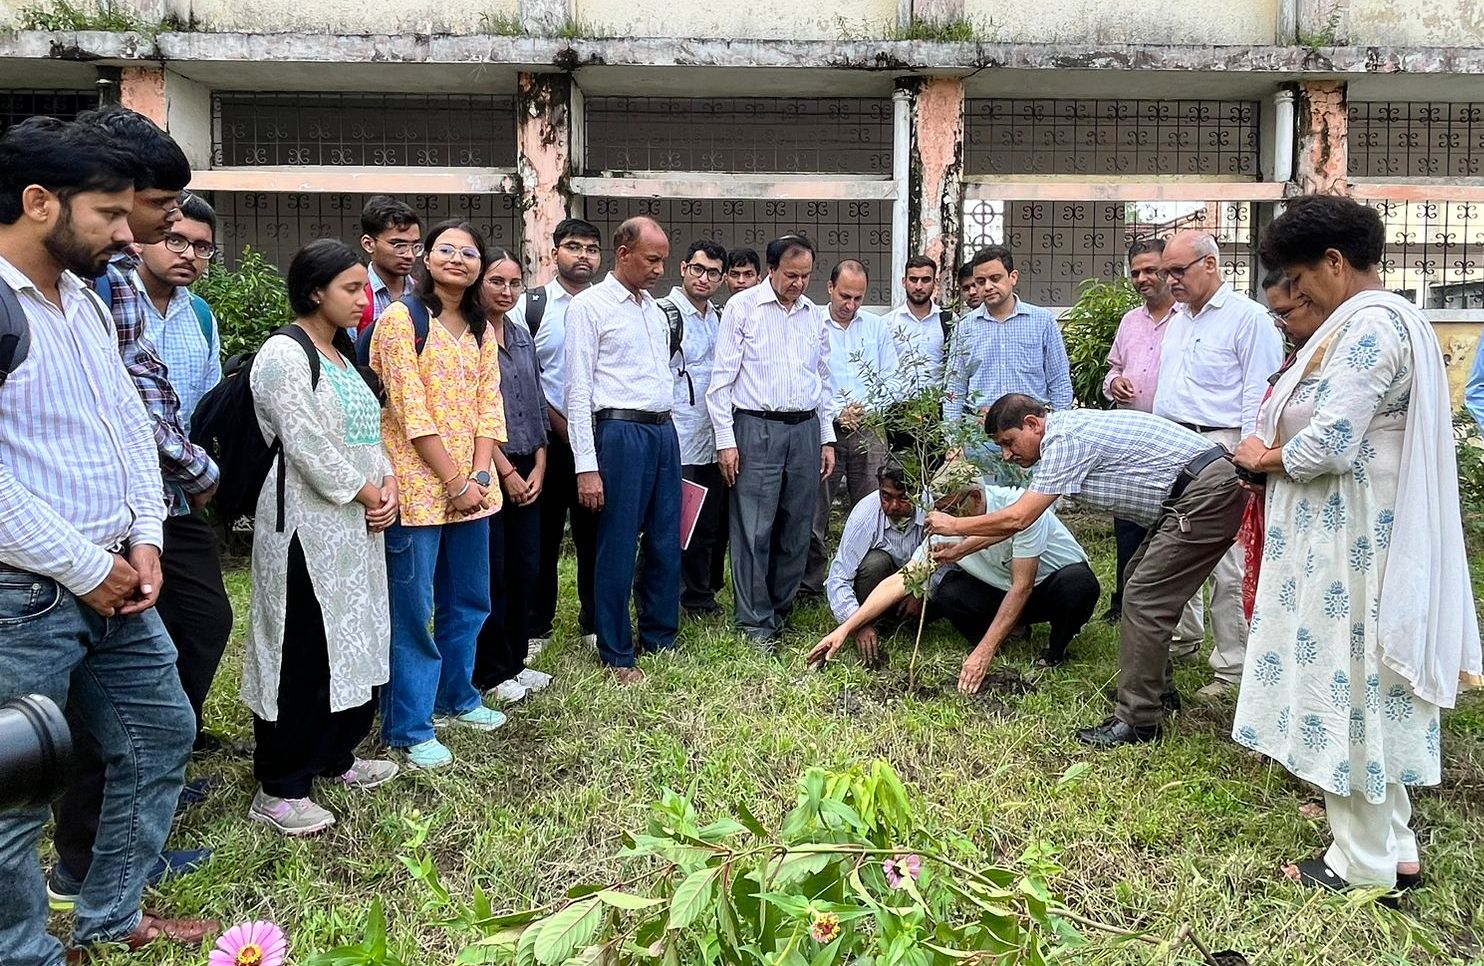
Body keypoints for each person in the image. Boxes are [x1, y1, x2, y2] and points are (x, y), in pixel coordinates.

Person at [0, 115, 217, 963]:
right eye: (109, 215)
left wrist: (145, 535)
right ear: (38, 201)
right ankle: (24, 951)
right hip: (26, 594)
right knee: (14, 792)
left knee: (160, 733)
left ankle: (112, 914)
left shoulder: (83, 301)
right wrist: (86, 566)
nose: (130, 234)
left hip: (120, 580)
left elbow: (128, 426)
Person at [1232, 195, 1482, 895]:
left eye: (1297, 278)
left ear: (1334, 263)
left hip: (1350, 542)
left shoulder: (1369, 326)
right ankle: (1394, 847)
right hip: (1350, 533)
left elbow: (1331, 442)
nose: (1293, 294)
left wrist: (1261, 455)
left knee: (1349, 688)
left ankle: (1361, 865)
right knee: (1369, 686)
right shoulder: (1384, 321)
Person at [927, 393, 1248, 749]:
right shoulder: (1064, 435)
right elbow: (1017, 524)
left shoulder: (1064, 440)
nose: (1006, 454)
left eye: (1008, 442)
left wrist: (956, 525)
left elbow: (1020, 517)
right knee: (1137, 584)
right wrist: (961, 549)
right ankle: (1155, 692)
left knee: (1144, 596)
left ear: (1033, 424)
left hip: (1205, 493)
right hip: (1189, 495)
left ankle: (1140, 722)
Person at [243, 239, 400, 836]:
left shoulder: (341, 355)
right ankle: (281, 784)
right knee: (301, 646)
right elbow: (306, 443)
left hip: (354, 527)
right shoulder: (286, 354)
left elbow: (368, 436)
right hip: (304, 527)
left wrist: (384, 490)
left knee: (351, 638)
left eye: (364, 289)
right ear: (315, 291)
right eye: (351, 289)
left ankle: (334, 754)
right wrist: (365, 491)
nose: (364, 301)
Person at [372, 220, 507, 770]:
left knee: (469, 600)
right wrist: (452, 481)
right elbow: (408, 408)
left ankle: (458, 696)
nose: (458, 259)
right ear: (426, 260)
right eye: (445, 250)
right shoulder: (401, 319)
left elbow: (487, 406)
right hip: (417, 493)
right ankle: (409, 724)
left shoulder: (482, 328)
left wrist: (476, 478)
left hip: (473, 493)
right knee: (413, 611)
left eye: (469, 252)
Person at [812, 472, 1099, 687]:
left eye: (950, 510)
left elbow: (1022, 587)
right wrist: (848, 627)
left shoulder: (1017, 508)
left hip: (1045, 586)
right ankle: (1014, 631)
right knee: (950, 591)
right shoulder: (942, 529)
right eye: (940, 510)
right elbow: (902, 579)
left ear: (974, 498)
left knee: (1077, 584)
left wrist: (982, 655)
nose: (943, 518)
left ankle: (1055, 650)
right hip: (1001, 591)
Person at [1154, 231, 1285, 699]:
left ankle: (1232, 667)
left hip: (1224, 446)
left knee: (1227, 559)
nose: (1170, 280)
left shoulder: (1248, 319)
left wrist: (1248, 461)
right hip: (1175, 443)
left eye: (1178, 271)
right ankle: (1182, 638)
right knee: (1175, 542)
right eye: (1167, 272)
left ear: (1210, 264)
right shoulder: (1179, 319)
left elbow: (1259, 394)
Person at [566, 216, 680, 682]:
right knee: (616, 544)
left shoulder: (656, 311)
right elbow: (577, 391)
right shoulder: (590, 307)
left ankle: (659, 635)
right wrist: (586, 466)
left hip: (663, 432)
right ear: (623, 253)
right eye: (652, 259)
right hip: (619, 433)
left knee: (665, 540)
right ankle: (616, 650)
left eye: (663, 261)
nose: (659, 269)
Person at [707, 234, 836, 647]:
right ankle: (754, 621)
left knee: (797, 527)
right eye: (791, 275)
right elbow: (720, 383)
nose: (798, 283)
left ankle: (780, 610)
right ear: (772, 270)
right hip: (756, 427)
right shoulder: (742, 309)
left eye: (806, 276)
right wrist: (726, 441)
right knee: (753, 528)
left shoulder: (814, 315)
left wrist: (827, 438)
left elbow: (824, 380)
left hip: (805, 429)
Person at [473, 250, 553, 704]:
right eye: (496, 282)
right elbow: (475, 413)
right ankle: (493, 670)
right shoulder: (471, 335)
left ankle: (518, 661)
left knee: (528, 567)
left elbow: (536, 400)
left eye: (514, 283)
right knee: (495, 572)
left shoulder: (521, 333)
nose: (506, 291)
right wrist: (504, 471)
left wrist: (540, 463)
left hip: (531, 462)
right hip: (491, 467)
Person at [521, 218, 602, 656]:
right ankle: (537, 626)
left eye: (591, 248)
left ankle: (593, 621)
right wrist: (562, 429)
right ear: (555, 254)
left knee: (594, 535)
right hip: (548, 444)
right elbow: (524, 379)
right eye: (574, 246)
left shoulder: (610, 305)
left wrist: (588, 435)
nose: (583, 255)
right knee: (543, 537)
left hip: (597, 439)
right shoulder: (530, 307)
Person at [1100, 237, 1187, 634]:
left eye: (1151, 270)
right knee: (1128, 525)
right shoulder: (1130, 321)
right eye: (1135, 272)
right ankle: (1124, 601)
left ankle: (1170, 613)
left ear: (1169, 271)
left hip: (1174, 441)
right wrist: (1114, 382)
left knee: (1173, 528)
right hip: (1130, 441)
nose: (1142, 278)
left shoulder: (1188, 320)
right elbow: (1112, 370)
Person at [802, 259, 897, 596]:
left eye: (858, 298)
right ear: (830, 288)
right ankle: (809, 584)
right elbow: (808, 376)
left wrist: (865, 410)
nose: (851, 305)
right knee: (815, 509)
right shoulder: (811, 322)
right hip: (823, 429)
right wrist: (836, 414)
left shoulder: (876, 327)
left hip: (868, 430)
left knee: (874, 508)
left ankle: (865, 583)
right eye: (845, 296)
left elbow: (892, 378)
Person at [944, 245, 1072, 484]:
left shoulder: (1042, 322)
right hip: (982, 438)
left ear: (1013, 277)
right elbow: (954, 389)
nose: (987, 286)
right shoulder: (965, 327)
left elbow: (1060, 382)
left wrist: (1056, 433)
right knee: (988, 510)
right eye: (980, 281)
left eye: (995, 278)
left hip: (1032, 437)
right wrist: (953, 442)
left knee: (1036, 512)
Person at [659, 239, 728, 616]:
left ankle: (698, 597)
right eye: (698, 269)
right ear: (684, 268)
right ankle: (661, 596)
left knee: (707, 527)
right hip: (677, 438)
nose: (704, 278)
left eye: (713, 273)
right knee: (672, 526)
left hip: (713, 438)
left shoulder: (718, 318)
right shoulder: (664, 314)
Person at [822, 463, 926, 665]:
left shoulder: (930, 510)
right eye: (886, 497)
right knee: (875, 562)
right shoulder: (865, 516)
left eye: (903, 498)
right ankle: (874, 622)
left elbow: (946, 561)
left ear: (918, 493)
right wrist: (857, 623)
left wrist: (924, 592)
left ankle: (907, 625)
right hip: (876, 587)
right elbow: (838, 577)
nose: (894, 506)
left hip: (916, 589)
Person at [884, 254, 948, 395]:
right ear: (904, 282)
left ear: (935, 283)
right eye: (913, 279)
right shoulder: (887, 323)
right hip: (897, 408)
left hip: (937, 408)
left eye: (925, 280)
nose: (919, 286)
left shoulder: (948, 320)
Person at [358, 195, 422, 326]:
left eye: (415, 246)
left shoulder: (425, 293)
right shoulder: (354, 295)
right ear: (368, 244)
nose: (410, 255)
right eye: (399, 245)